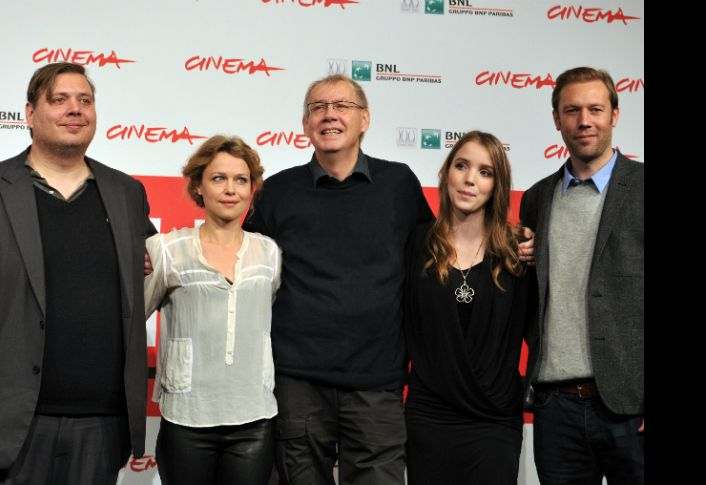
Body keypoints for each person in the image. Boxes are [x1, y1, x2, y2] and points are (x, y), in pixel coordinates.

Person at [242, 74, 434, 485]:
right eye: (317, 107)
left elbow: (440, 254)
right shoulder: (277, 191)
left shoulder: (398, 184)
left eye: (341, 106)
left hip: (376, 382)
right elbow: (241, 265)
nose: (329, 115)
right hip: (298, 381)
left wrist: (513, 242)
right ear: (305, 124)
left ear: (364, 119)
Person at [0, 62, 156, 484]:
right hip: (13, 421)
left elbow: (152, 263)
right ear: (30, 114)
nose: (75, 109)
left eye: (84, 100)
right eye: (60, 100)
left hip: (101, 423)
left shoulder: (127, 193)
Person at [519, 66, 644, 484]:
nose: (584, 121)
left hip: (631, 407)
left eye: (595, 109)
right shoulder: (537, 198)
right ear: (557, 119)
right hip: (556, 410)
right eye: (572, 110)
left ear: (615, 114)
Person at [144, 136, 281, 485]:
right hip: (188, 419)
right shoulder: (166, 250)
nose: (231, 189)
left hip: (253, 419)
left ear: (253, 188)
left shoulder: (269, 253)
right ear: (198, 186)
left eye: (241, 179)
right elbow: (131, 318)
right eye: (218, 178)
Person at [403, 131, 535, 485]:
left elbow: (540, 330)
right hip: (429, 416)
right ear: (447, 172)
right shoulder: (416, 243)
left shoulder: (518, 250)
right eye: (461, 165)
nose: (469, 179)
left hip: (493, 420)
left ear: (497, 185)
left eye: (485, 171)